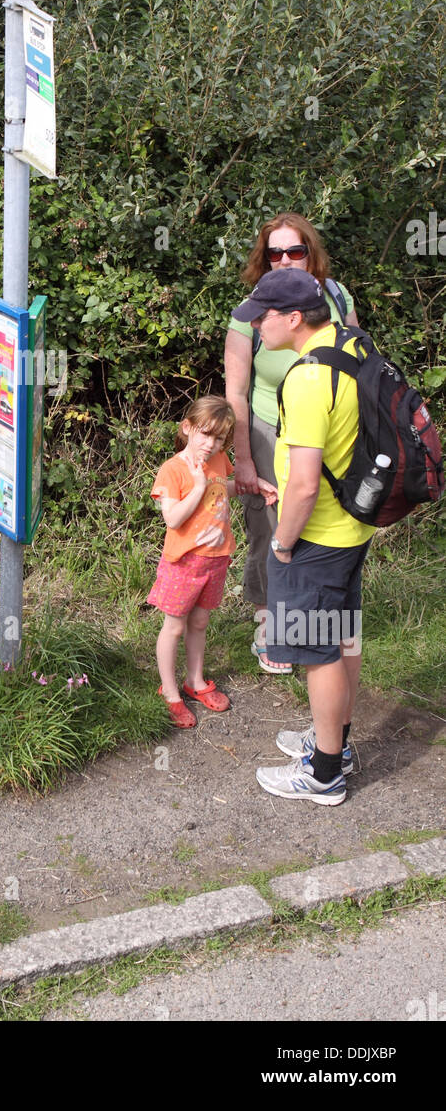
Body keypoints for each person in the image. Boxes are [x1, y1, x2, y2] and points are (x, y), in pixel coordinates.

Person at [229, 270, 374, 805]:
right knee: (343, 637)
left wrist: (283, 543)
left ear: (293, 319)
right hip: (353, 526)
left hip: (314, 535)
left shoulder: (308, 378)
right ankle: (335, 741)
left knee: (317, 653)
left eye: (263, 317)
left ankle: (324, 774)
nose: (256, 327)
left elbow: (306, 482)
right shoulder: (350, 343)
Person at [224, 212, 358, 674]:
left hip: (327, 427)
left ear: (310, 253)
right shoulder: (253, 312)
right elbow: (235, 390)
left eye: (294, 251)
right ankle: (271, 622)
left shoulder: (336, 298)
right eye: (273, 252)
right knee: (270, 527)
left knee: (317, 520)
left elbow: (361, 363)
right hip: (267, 427)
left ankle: (314, 624)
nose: (283, 260)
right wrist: (243, 458)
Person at [148, 395, 278, 727]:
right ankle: (170, 692)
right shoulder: (174, 470)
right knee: (174, 626)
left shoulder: (218, 459)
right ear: (187, 428)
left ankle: (195, 681)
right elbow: (173, 519)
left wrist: (251, 486)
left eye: (219, 438)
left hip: (215, 559)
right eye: (205, 434)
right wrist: (197, 486)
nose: (211, 444)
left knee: (200, 623)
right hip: (183, 564)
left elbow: (222, 489)